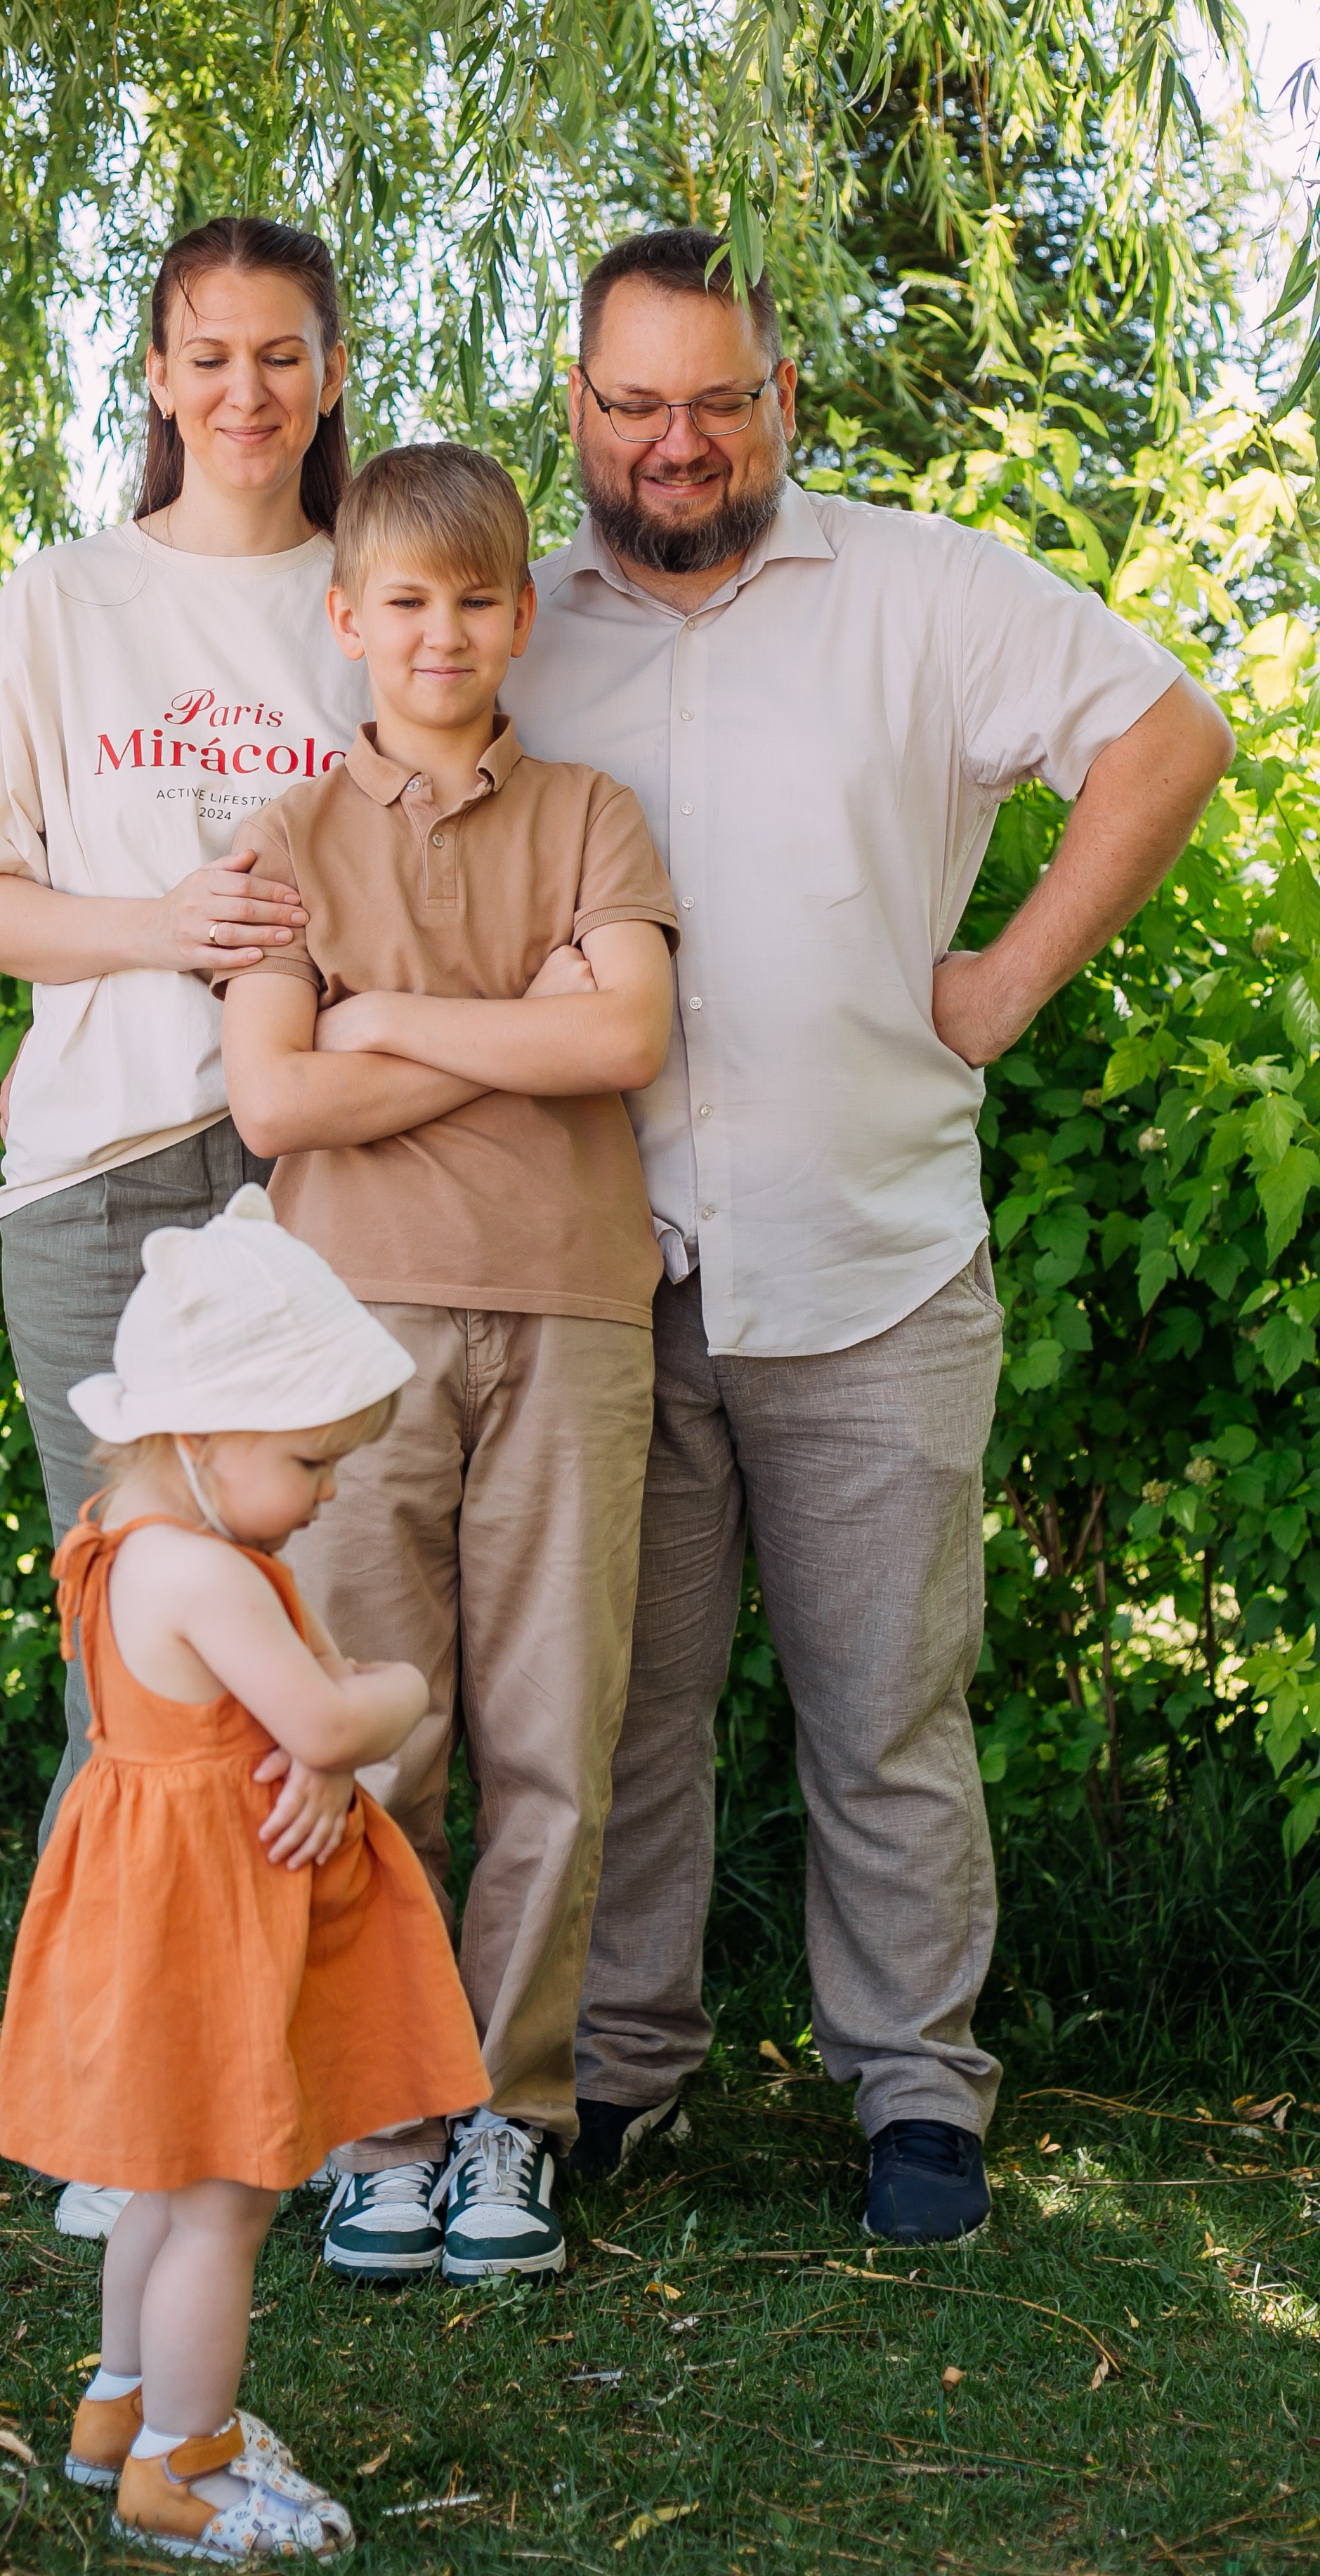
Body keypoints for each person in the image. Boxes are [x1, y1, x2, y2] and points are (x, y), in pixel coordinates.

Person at [499, 227, 1236, 2237]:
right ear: (573, 405)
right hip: (599, 1270)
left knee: (885, 1705)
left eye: (714, 402)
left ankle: (915, 2093)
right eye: (633, 403)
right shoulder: (516, 626)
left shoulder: (922, 588)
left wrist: (995, 985)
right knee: (612, 1714)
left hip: (873, 1256)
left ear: (781, 402)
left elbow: (1165, 737)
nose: (674, 441)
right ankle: (613, 2078)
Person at [218, 441, 677, 2283]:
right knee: (366, 1745)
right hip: (347, 1334)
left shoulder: (590, 814)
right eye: (401, 602)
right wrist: (518, 1028)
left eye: (474, 598)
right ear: (345, 621)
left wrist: (389, 1013)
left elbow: (625, 1035)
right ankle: (379, 2121)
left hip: (571, 1313)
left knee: (551, 1738)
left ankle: (511, 2114)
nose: (439, 632)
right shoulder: (283, 842)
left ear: (518, 614)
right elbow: (274, 1094)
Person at [0, 214, 371, 1862]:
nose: (246, 390)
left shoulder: (379, 594)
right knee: (140, 1662)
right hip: (103, 1175)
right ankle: (114, 2093)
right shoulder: (67, 598)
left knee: (322, 1640)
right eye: (211, 357)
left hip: (327, 1164)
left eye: (280, 355)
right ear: (161, 378)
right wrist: (156, 931)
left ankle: (325, 2086)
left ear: (327, 376)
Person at [0, 1186, 490, 2561]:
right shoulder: (201, 1573)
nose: (329, 1493)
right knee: (226, 2194)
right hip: (203, 1917)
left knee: (165, 2177)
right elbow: (329, 1708)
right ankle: (181, 2467)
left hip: (163, 1904)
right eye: (314, 1462)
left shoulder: (136, 1541)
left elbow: (287, 1709)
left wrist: (324, 1736)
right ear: (204, 1434)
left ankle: (118, 2411)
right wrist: (390, 1701)